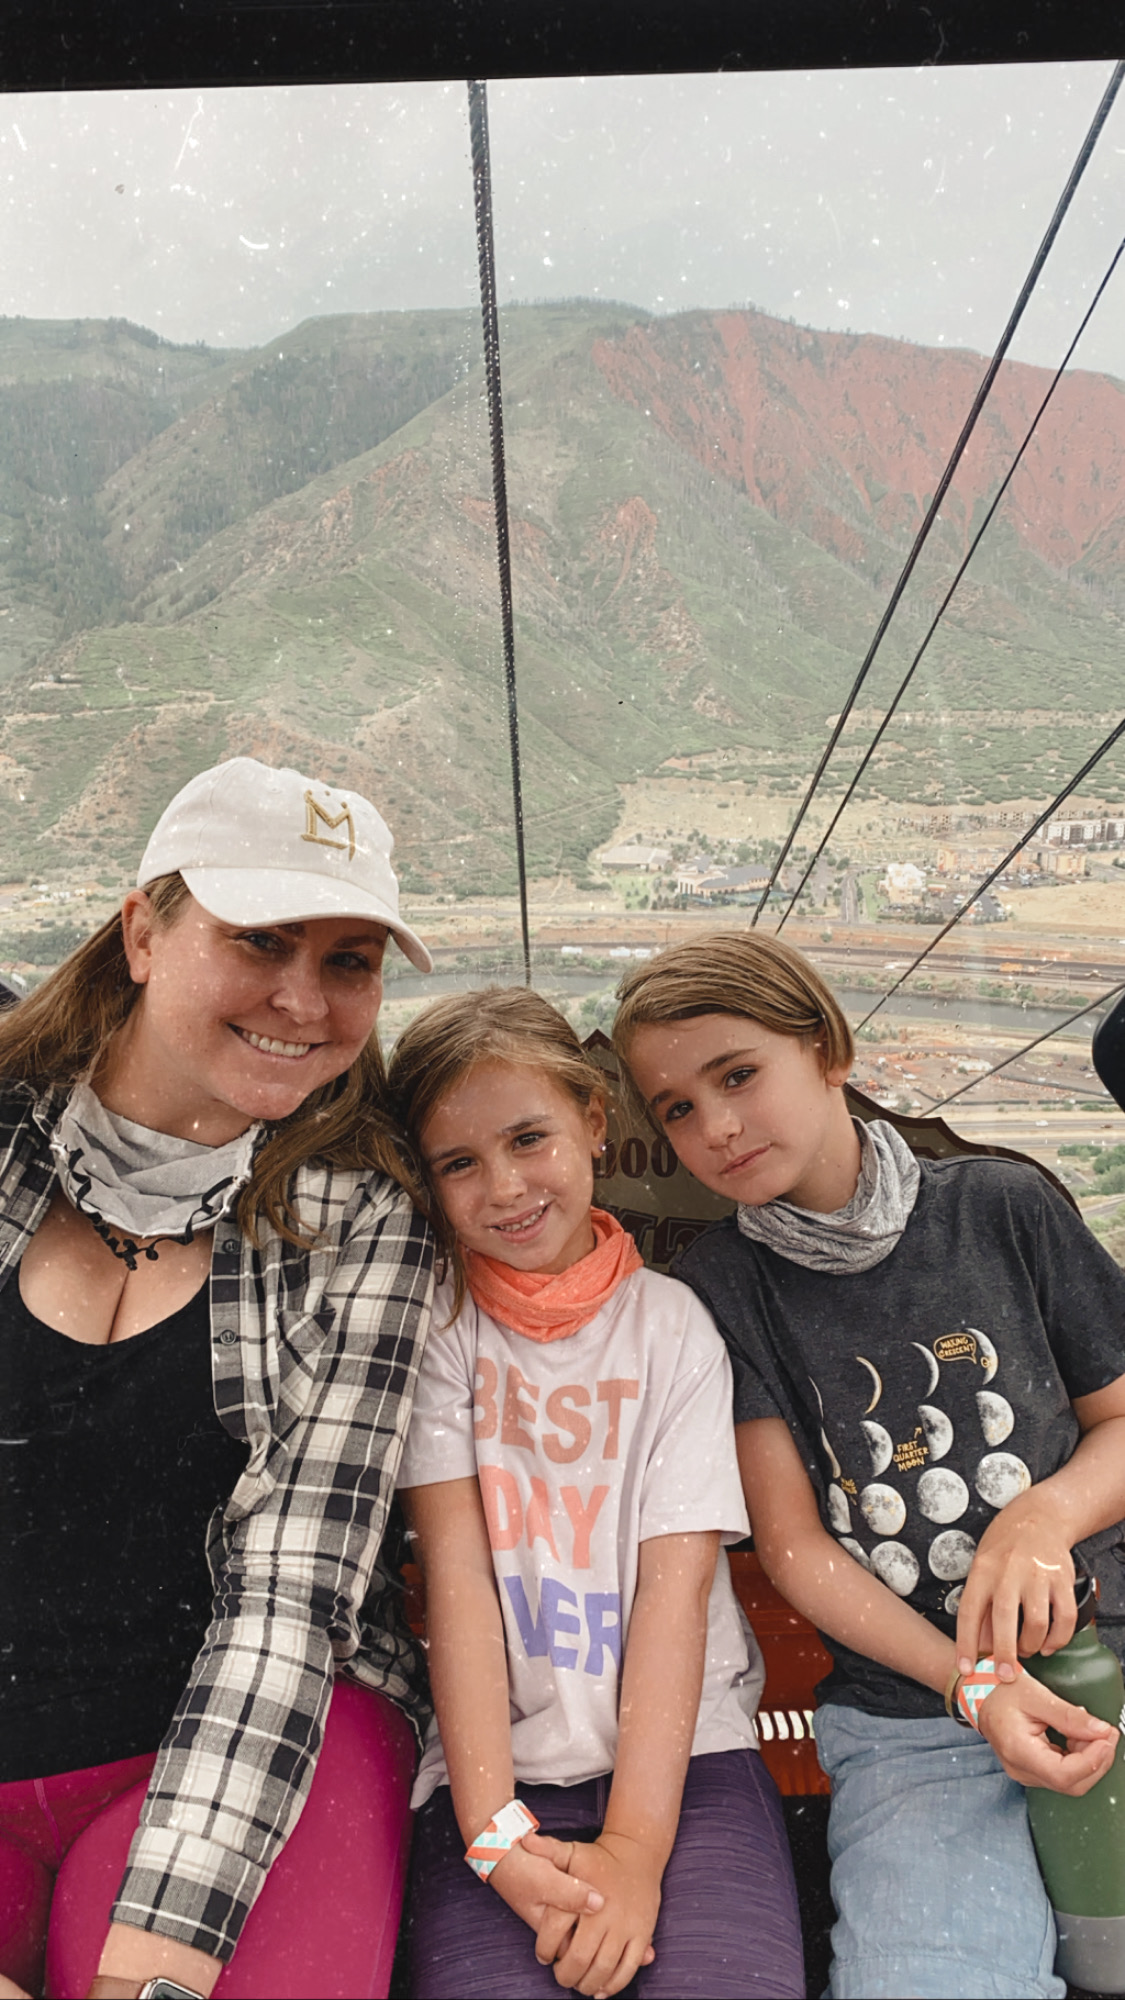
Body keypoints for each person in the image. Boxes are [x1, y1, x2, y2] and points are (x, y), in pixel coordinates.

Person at [612, 929, 1125, 2000]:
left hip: (1104, 1659)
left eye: (738, 1075)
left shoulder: (1003, 1210)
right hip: (914, 1712)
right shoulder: (724, 1290)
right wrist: (969, 1684)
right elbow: (794, 1544)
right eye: (675, 1108)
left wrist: (1042, 1518)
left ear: (826, 1047)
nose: (715, 1125)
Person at [0, 756, 437, 2000]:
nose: (303, 999)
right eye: (260, 940)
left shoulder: (360, 1219)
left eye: (349, 959)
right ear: (146, 928)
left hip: (249, 1735)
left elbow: (292, 1586)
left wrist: (162, 1967)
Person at [387, 986, 804, 2000]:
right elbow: (463, 1585)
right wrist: (493, 1831)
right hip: (494, 1760)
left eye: (530, 1137)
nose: (506, 1185)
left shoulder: (673, 1330)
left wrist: (632, 1849)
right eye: (460, 1163)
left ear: (592, 1119)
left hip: (680, 1758)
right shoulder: (440, 1337)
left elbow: (672, 1594)